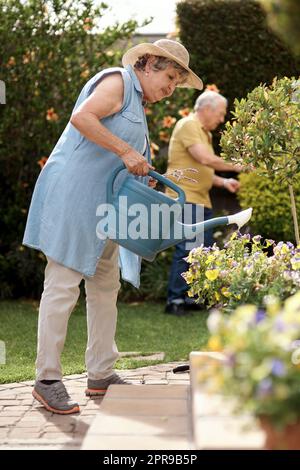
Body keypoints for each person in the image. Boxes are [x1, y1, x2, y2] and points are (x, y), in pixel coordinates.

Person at [22, 39, 203, 414]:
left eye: (175, 84)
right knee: (62, 286)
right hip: (76, 200)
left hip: (106, 210)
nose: (170, 89)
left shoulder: (137, 102)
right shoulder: (118, 81)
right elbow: (82, 118)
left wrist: (142, 175)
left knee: (105, 287)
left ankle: (101, 373)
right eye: (169, 78)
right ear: (148, 63)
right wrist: (124, 151)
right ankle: (47, 380)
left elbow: (120, 156)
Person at [165, 90, 241, 316]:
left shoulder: (204, 134)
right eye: (220, 113)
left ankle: (189, 296)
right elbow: (205, 159)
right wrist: (239, 165)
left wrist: (224, 181)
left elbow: (203, 169)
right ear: (206, 108)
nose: (221, 119)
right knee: (188, 247)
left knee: (200, 249)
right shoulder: (188, 125)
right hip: (184, 196)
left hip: (200, 198)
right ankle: (175, 299)